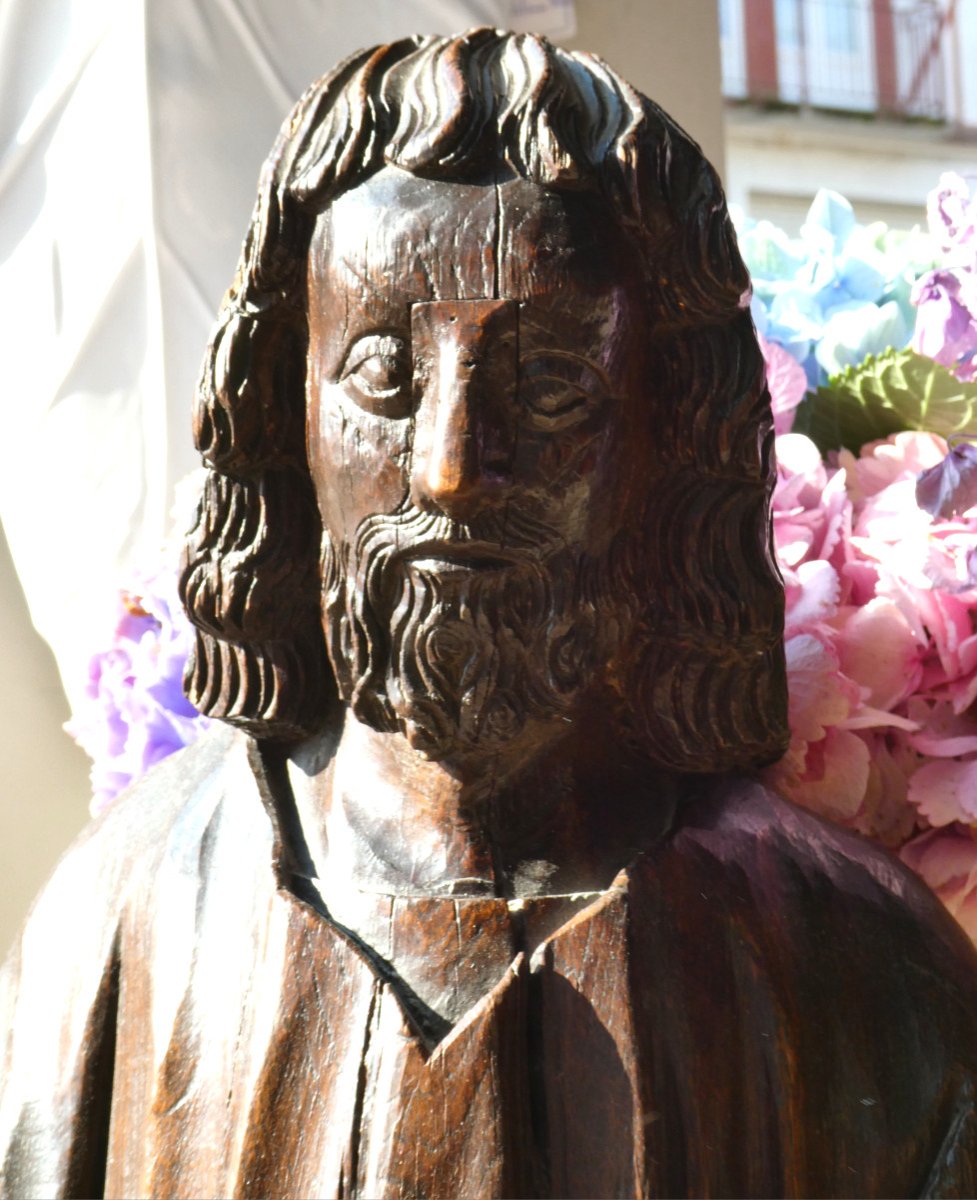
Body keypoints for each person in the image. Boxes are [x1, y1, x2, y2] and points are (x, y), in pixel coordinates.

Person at [2, 30, 977, 1199]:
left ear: (667, 439)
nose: (450, 469)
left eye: (549, 388)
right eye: (380, 378)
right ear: (284, 415)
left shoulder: (860, 972)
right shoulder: (125, 925)